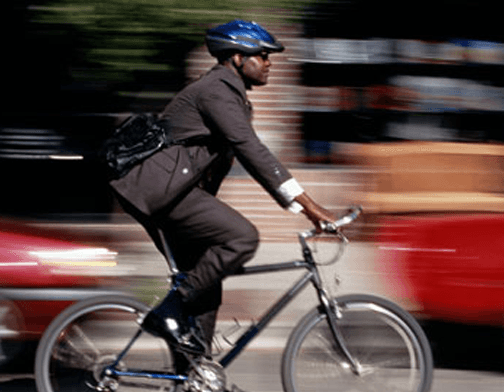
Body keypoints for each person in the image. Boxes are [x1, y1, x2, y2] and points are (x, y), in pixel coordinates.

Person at [110, 20, 336, 357]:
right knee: (242, 237)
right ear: (237, 58)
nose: (269, 63)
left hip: (170, 193)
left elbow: (239, 158)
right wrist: (309, 206)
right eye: (262, 55)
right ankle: (169, 311)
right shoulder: (216, 90)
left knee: (206, 285)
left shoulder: (231, 97)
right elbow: (251, 150)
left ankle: (195, 375)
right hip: (162, 193)